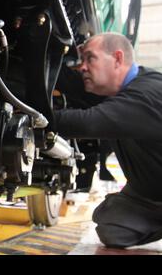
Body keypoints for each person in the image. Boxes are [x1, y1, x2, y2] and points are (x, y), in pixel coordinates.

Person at [54, 32, 162, 249]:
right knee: (111, 227)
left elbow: (88, 124)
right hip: (149, 193)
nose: (82, 66)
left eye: (90, 58)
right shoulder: (122, 91)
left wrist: (25, 116)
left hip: (153, 192)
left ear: (118, 58)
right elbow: (76, 88)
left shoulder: (146, 93)